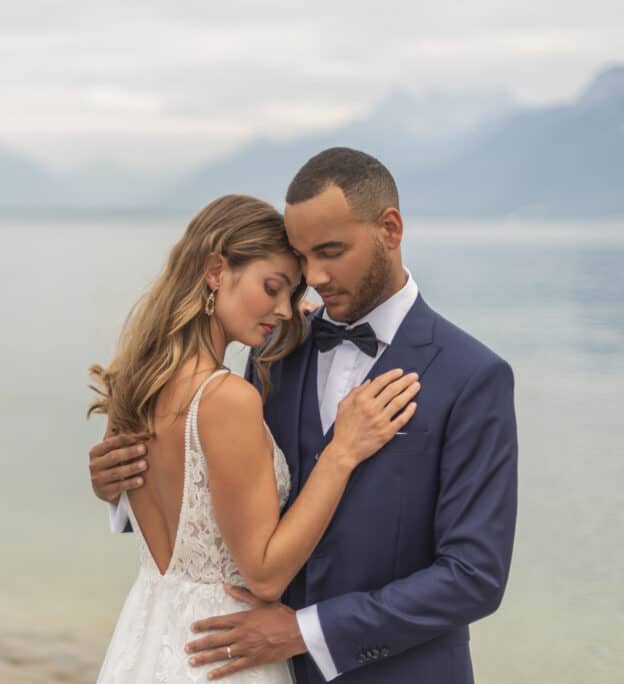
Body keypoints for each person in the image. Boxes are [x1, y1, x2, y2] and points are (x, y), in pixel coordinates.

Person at [90, 148, 518, 683]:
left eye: (331, 252)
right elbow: (219, 493)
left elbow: (473, 577)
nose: (313, 277)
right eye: (299, 261)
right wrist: (122, 482)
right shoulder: (273, 353)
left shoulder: (472, 376)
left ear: (390, 228)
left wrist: (308, 631)